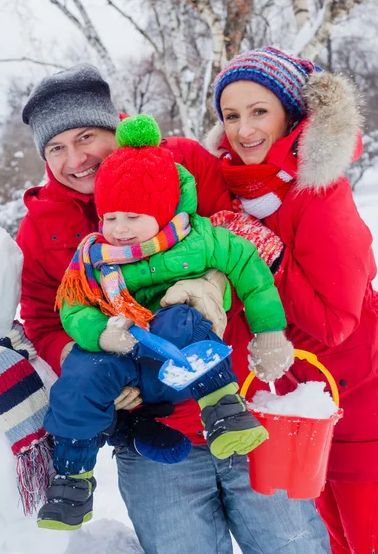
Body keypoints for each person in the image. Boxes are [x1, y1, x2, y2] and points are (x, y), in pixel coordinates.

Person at [17, 62, 331, 553]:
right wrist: (93, 360)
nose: (75, 159)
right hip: (152, 433)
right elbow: (40, 318)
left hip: (242, 408)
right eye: (56, 148)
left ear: (114, 128)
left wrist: (214, 283)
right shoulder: (42, 225)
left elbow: (234, 235)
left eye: (86, 137)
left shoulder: (179, 161)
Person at [37, 113, 292, 530]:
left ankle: (223, 408)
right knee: (81, 375)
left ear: (162, 210)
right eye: (110, 217)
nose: (118, 231)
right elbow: (71, 306)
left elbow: (253, 272)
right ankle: (72, 476)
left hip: (178, 356)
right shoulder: (92, 255)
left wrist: (268, 330)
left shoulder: (200, 237)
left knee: (182, 320)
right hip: (123, 351)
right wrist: (100, 334)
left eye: (132, 217)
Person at [197, 46, 378, 554]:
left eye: (260, 112)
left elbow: (336, 321)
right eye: (231, 115)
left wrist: (266, 255)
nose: (244, 129)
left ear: (291, 114)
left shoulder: (319, 192)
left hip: (357, 407)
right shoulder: (238, 191)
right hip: (296, 409)